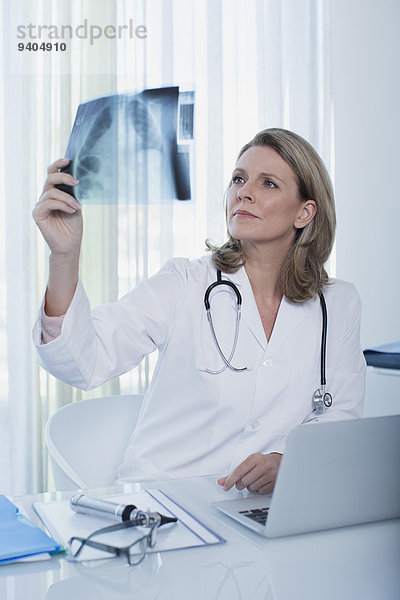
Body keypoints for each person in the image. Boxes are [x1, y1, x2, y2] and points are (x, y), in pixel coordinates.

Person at [32, 128, 366, 495]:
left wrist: (287, 462)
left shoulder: (337, 304)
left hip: (261, 511)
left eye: (268, 184)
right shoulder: (185, 283)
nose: (244, 192)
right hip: (162, 507)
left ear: (305, 212)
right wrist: (64, 256)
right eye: (238, 179)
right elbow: (83, 362)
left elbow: (340, 415)